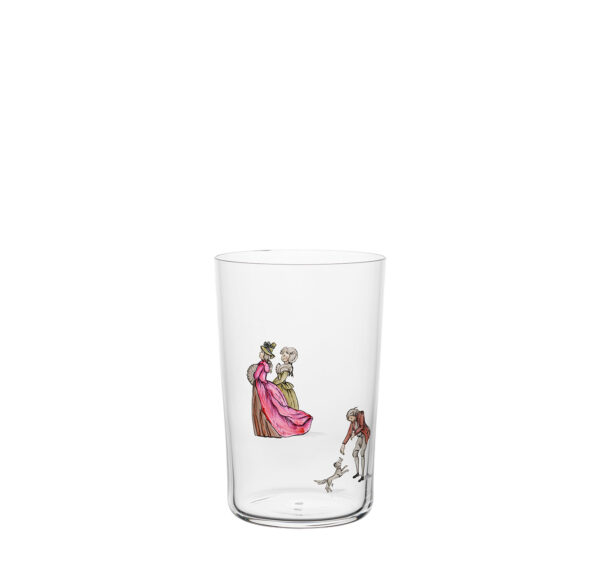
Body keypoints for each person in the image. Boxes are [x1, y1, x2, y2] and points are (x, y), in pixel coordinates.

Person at [250, 341, 312, 437]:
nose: (260, 353)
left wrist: (273, 382)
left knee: (273, 406)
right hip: (267, 384)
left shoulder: (263, 365)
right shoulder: (267, 365)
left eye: (262, 352)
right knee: (276, 405)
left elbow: (256, 376)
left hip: (263, 385)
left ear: (265, 355)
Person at [340, 407, 370, 482]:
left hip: (365, 435)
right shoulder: (352, 422)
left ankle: (362, 475)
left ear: (354, 415)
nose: (350, 420)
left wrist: (355, 433)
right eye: (349, 419)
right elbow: (349, 433)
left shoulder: (360, 416)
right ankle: (357, 472)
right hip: (360, 437)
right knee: (354, 453)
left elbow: (361, 426)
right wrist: (343, 444)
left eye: (351, 418)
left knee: (362, 454)